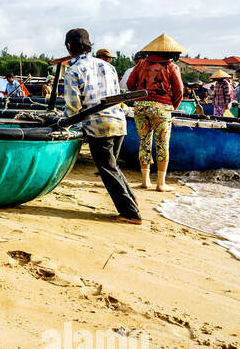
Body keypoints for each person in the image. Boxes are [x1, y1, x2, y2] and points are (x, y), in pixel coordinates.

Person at [62, 28, 141, 224]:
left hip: (99, 125)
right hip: (118, 121)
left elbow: (73, 107)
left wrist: (65, 125)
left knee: (107, 168)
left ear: (69, 47)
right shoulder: (108, 66)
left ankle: (130, 213)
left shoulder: (73, 70)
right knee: (112, 166)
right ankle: (133, 201)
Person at [125, 33, 185, 191]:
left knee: (144, 142)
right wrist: (173, 106)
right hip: (162, 108)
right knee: (162, 145)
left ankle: (145, 181)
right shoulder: (171, 66)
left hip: (141, 107)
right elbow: (179, 90)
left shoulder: (141, 64)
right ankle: (160, 183)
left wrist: (140, 95)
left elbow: (130, 84)